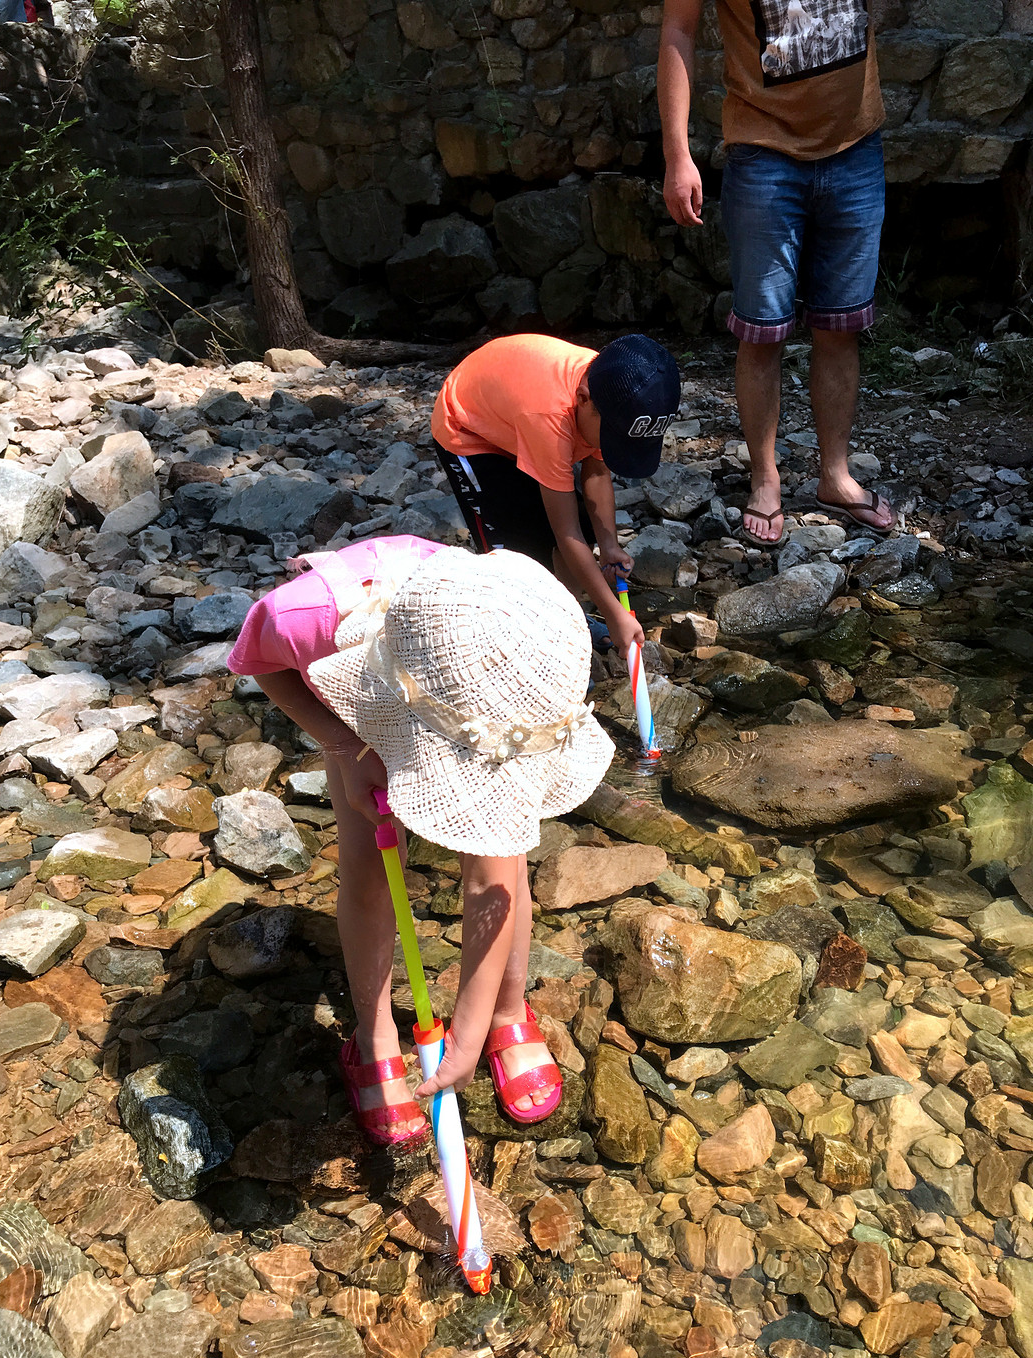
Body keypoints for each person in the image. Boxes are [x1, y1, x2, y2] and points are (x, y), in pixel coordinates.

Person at [227, 536, 614, 1143]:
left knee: (502, 859)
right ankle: (375, 1036)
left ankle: (508, 1010)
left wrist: (467, 1023)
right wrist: (344, 746)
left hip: (483, 704)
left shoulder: (525, 634)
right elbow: (259, 664)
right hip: (370, 699)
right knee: (370, 860)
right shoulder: (304, 618)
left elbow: (491, 885)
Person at [659, 0, 895, 545]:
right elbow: (678, 29)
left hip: (855, 144)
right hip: (763, 150)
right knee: (762, 330)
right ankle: (766, 479)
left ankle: (835, 475)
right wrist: (678, 155)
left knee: (841, 326)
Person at [431, 332, 681, 656]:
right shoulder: (550, 416)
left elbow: (597, 471)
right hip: (469, 430)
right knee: (516, 557)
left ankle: (567, 620)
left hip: (517, 419)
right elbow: (567, 534)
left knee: (585, 528)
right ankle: (516, 644)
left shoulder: (619, 387)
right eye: (613, 439)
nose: (610, 447)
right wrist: (613, 612)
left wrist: (609, 546)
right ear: (583, 398)